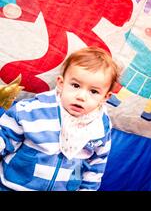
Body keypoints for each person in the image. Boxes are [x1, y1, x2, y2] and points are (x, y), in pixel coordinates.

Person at [0, 46, 119, 191]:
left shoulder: (101, 127)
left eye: (94, 91)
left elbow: (95, 165)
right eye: (75, 85)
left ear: (105, 97)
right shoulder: (31, 111)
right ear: (61, 83)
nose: (81, 96)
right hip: (15, 185)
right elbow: (4, 139)